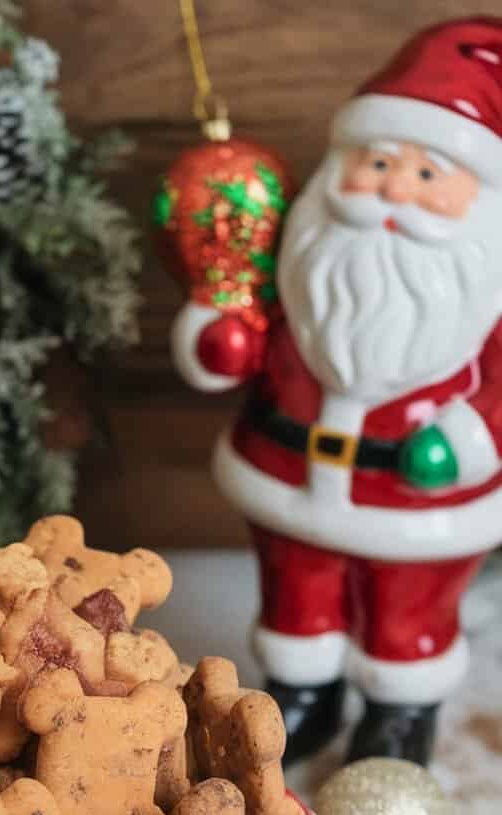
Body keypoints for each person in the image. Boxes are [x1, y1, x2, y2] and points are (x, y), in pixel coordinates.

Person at [172, 18, 502, 764]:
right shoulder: (310, 263)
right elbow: (248, 325)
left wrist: (469, 438)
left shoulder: (483, 297)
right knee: (296, 593)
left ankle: (401, 703)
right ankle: (301, 694)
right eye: (379, 162)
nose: (393, 193)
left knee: (406, 607)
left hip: (417, 504)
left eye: (427, 177)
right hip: (285, 480)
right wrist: (216, 339)